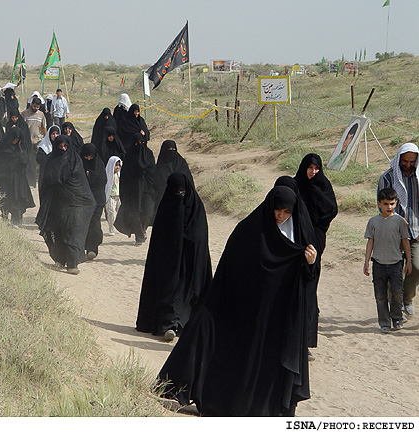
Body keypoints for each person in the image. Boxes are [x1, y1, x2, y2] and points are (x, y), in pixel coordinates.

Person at [158, 185, 318, 416]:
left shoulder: (298, 239)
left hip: (275, 317)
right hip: (241, 309)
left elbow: (306, 282)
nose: (281, 216)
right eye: (277, 211)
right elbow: (230, 269)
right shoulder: (249, 231)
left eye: (286, 212)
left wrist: (310, 265)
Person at [136, 172, 212, 341]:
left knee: (189, 291)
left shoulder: (197, 210)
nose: (180, 195)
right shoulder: (166, 209)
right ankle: (168, 324)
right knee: (168, 288)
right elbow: (159, 241)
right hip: (169, 261)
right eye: (176, 192)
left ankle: (184, 323)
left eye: (182, 192)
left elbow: (200, 238)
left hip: (190, 259)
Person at [294, 153, 337, 356]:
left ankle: (305, 343)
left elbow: (330, 211)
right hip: (295, 244)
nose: (312, 172)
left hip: (315, 245)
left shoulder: (323, 187)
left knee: (310, 289)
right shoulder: (295, 186)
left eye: (316, 168)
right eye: (309, 168)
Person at [35, 135, 96, 275]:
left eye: (65, 146)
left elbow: (80, 182)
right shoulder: (50, 160)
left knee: (74, 232)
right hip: (58, 204)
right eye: (60, 146)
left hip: (75, 203)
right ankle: (61, 260)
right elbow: (46, 180)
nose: (63, 149)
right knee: (59, 232)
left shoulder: (75, 160)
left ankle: (72, 264)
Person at [378, 142, 419, 317]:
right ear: (399, 159)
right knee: (393, 272)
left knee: (416, 267)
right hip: (393, 233)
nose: (408, 165)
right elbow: (382, 206)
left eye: (412, 162)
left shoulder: (418, 176)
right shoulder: (387, 177)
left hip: (415, 231)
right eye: (405, 161)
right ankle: (395, 309)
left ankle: (407, 299)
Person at [364, 188, 411, 333]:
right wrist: (366, 262)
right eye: (385, 204)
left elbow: (405, 242)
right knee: (380, 295)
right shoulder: (373, 221)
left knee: (397, 293)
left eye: (392, 204)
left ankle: (396, 319)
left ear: (396, 203)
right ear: (379, 204)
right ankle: (384, 322)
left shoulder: (399, 222)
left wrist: (408, 261)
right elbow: (370, 242)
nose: (389, 207)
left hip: (396, 264)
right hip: (378, 264)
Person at [0, 127, 35, 228]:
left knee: (17, 200)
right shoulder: (1, 147)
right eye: (14, 138)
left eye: (18, 139)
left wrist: (20, 149)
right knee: (5, 200)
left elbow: (25, 162)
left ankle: (16, 220)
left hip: (17, 180)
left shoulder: (21, 148)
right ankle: (5, 217)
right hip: (4, 179)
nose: (15, 140)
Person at [114, 133, 156, 245]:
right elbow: (125, 174)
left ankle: (143, 229)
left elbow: (153, 170)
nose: (140, 145)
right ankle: (139, 236)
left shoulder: (149, 154)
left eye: (142, 143)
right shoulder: (130, 155)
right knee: (135, 213)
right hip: (133, 190)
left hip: (147, 188)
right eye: (137, 143)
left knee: (147, 212)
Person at [152, 140, 194, 220]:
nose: (171, 152)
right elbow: (156, 184)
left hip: (180, 198)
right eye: (169, 150)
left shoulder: (181, 164)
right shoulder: (160, 167)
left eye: (173, 149)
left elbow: (188, 181)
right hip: (164, 199)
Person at [80, 143, 107, 260]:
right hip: (82, 201)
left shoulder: (99, 166)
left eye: (91, 157)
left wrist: (89, 177)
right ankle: (81, 249)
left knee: (94, 224)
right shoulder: (79, 165)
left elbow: (101, 181)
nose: (89, 160)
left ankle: (92, 249)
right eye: (86, 157)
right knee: (82, 226)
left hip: (97, 201)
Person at [22, 97, 47, 187]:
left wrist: (46, 139)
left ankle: (36, 178)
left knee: (37, 161)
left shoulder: (41, 115)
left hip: (38, 141)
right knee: (28, 161)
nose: (36, 108)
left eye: (38, 107)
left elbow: (43, 128)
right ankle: (27, 179)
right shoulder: (24, 114)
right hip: (27, 142)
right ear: (31, 104)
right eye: (35, 106)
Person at [6, 109, 34, 187]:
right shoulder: (8, 124)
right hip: (12, 149)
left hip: (22, 148)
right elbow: (7, 137)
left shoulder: (23, 125)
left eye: (16, 117)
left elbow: (25, 137)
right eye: (13, 118)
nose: (14, 119)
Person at [36, 125, 60, 204]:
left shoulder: (62, 146)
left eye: (57, 134)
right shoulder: (43, 147)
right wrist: (51, 155)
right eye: (53, 134)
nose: (55, 136)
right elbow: (39, 159)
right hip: (45, 175)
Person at [104, 156, 122, 236]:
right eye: (115, 165)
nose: (117, 167)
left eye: (118, 165)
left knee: (118, 213)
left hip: (118, 196)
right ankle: (111, 229)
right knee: (111, 213)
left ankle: (117, 227)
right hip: (110, 196)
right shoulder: (107, 174)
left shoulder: (119, 175)